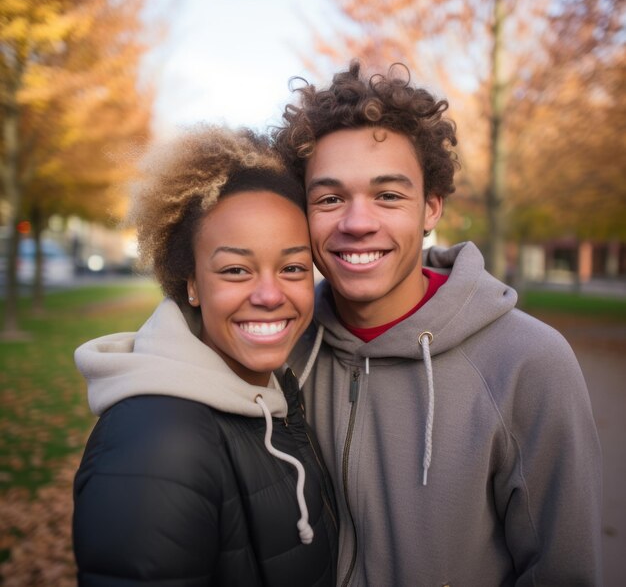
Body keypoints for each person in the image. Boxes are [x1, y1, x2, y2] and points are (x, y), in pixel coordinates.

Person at [272, 61, 603, 586]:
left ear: (431, 208)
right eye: (330, 198)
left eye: (388, 195)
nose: (358, 223)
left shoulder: (529, 362)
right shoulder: (280, 348)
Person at [72, 126, 338, 586]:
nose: (271, 294)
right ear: (191, 283)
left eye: (293, 267)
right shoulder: (158, 445)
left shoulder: (275, 397)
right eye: (236, 270)